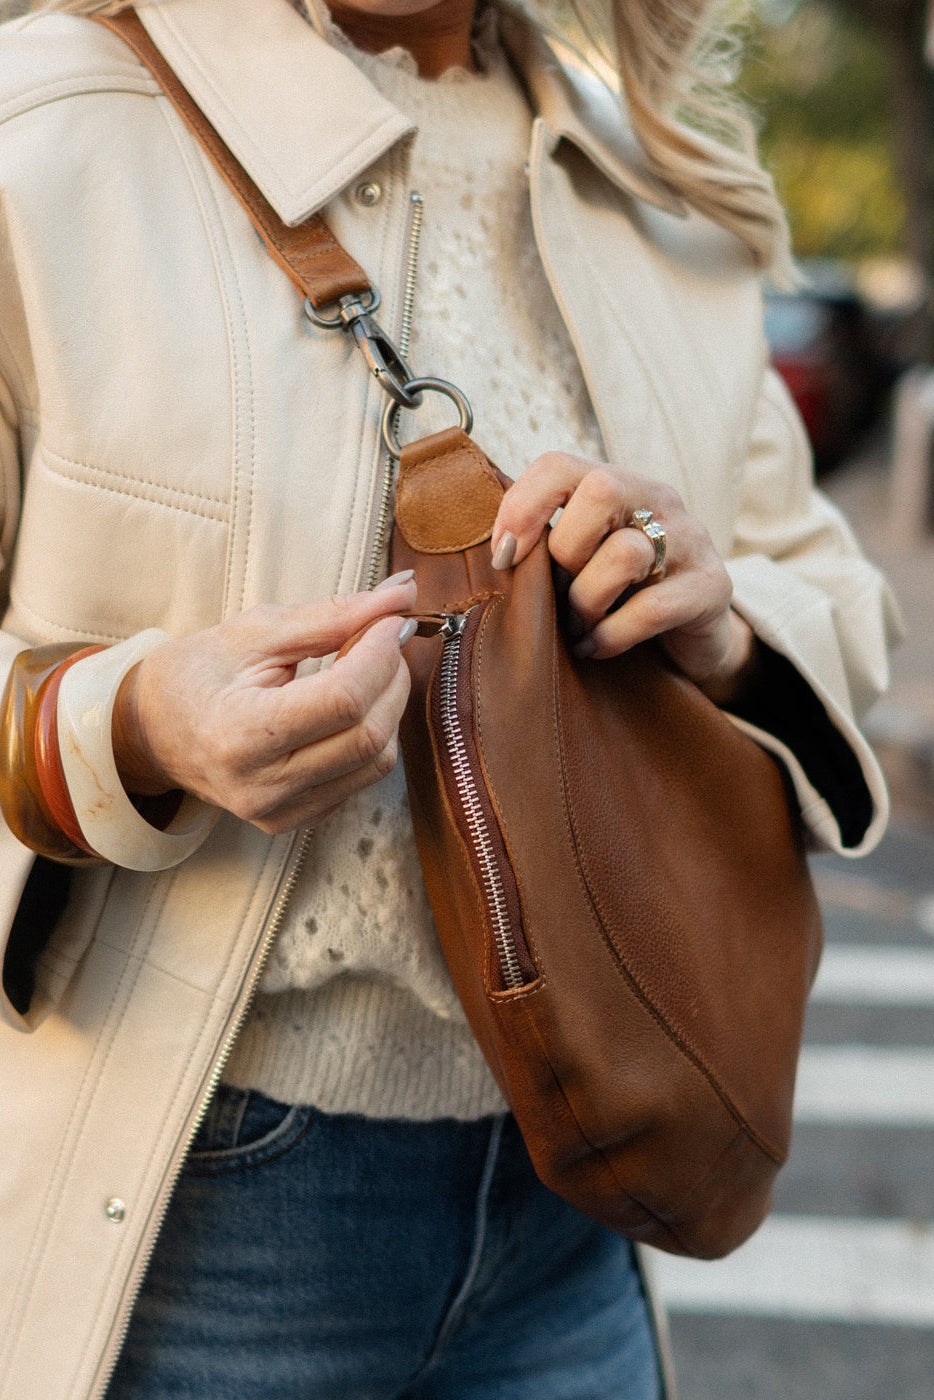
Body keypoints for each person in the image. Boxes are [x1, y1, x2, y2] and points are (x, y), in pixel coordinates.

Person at [0, 0, 899, 1395]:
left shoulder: (655, 180)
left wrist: (717, 625)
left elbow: (828, 588)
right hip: (198, 1223)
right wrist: (133, 726)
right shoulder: (43, 129)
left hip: (582, 1193)